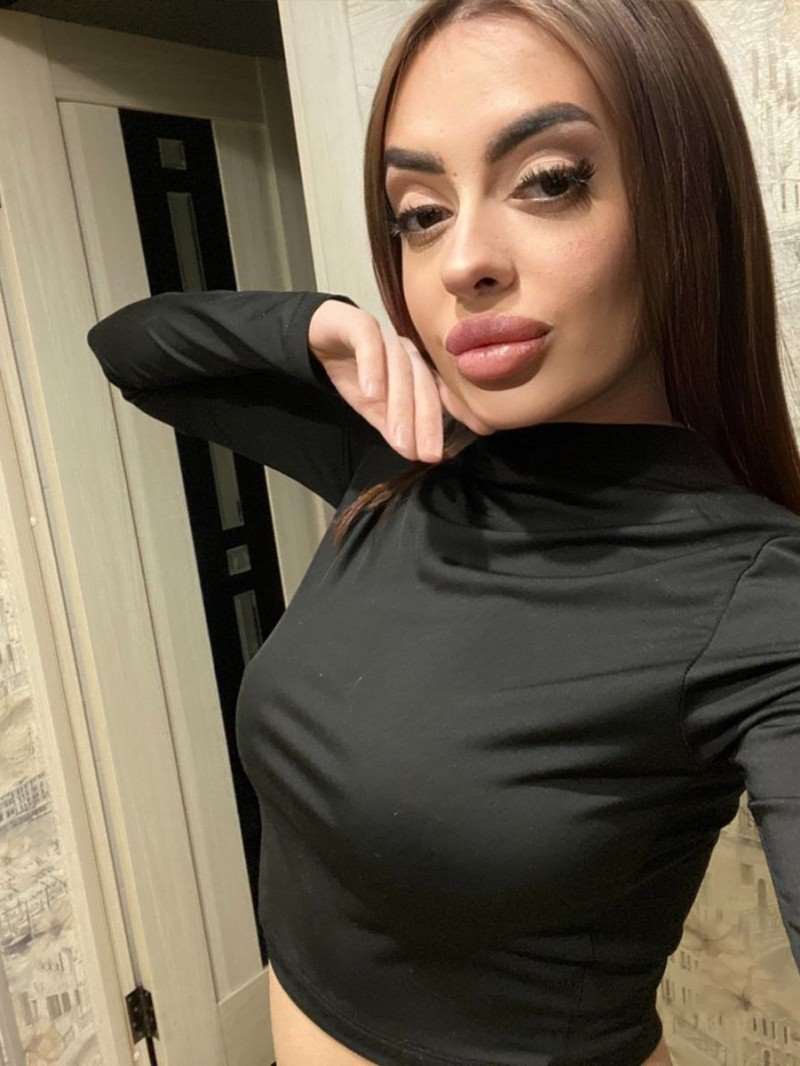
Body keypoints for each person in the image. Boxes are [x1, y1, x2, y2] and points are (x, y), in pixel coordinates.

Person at [86, 0, 800, 1063]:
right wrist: (315, 325)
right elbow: (131, 348)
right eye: (419, 212)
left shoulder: (757, 594)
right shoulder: (402, 454)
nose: (462, 260)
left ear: (685, 201)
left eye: (548, 181)